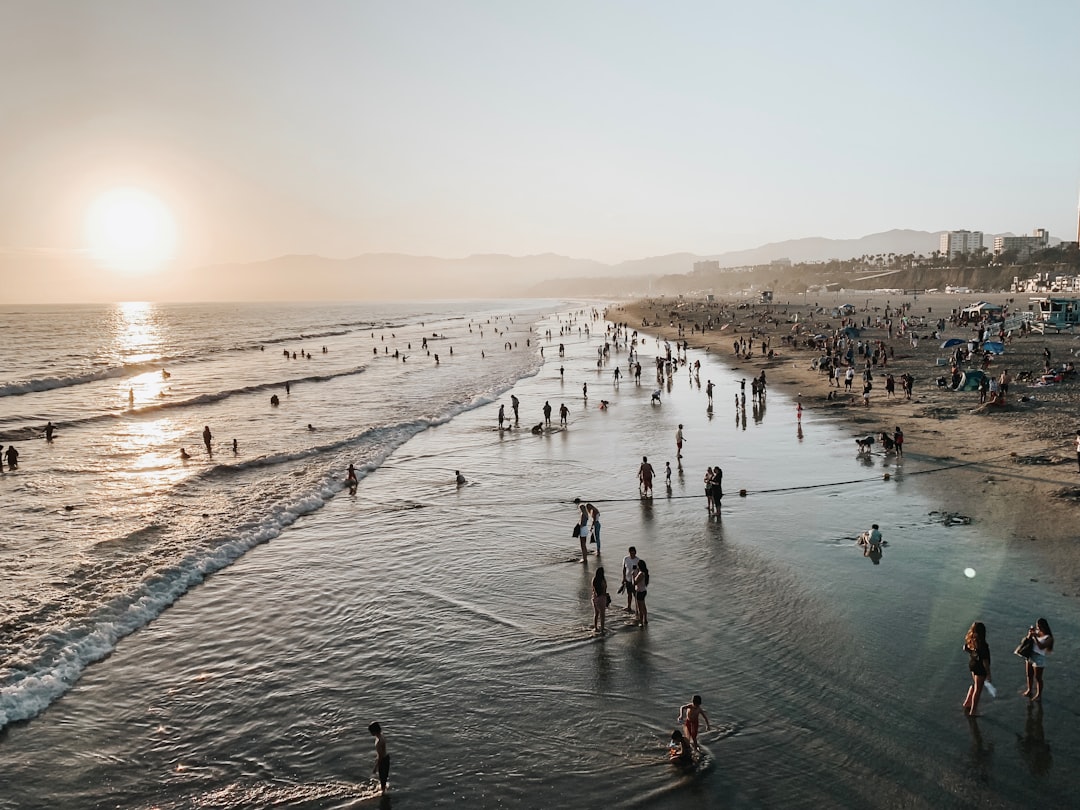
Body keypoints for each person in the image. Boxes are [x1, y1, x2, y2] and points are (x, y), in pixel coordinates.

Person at [962, 621, 992, 716]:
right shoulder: (983, 645)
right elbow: (985, 661)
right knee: (978, 690)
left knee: (975, 685)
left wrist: (972, 653)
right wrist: (988, 673)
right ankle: (973, 711)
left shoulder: (971, 640)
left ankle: (967, 702)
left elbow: (965, 648)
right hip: (980, 668)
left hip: (973, 664)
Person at [1023, 618, 1054, 702]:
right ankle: (1029, 690)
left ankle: (1039, 694)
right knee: (1029, 674)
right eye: (1037, 626)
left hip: (1039, 657)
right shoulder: (1037, 633)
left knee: (1038, 677)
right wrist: (1030, 634)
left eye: (1039, 626)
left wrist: (1035, 637)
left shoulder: (1049, 638)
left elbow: (1041, 647)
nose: (1038, 628)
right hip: (1031, 654)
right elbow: (1028, 640)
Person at [368, 722, 390, 794]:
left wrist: (375, 767)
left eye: (371, 731)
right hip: (386, 758)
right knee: (384, 778)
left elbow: (380, 756)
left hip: (383, 760)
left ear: (374, 731)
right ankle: (383, 789)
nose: (370, 733)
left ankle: (383, 792)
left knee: (383, 778)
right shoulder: (381, 736)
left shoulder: (379, 741)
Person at [621, 547, 640, 612]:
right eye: (631, 553)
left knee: (636, 596)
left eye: (634, 553)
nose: (633, 555)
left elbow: (640, 571)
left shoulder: (638, 560)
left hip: (635, 581)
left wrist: (638, 580)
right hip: (628, 579)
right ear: (629, 553)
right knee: (629, 594)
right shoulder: (626, 559)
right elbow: (624, 569)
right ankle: (629, 607)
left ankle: (637, 609)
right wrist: (623, 578)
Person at [591, 567, 608, 632]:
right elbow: (604, 591)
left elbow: (593, 589)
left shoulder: (594, 579)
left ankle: (595, 627)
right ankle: (602, 628)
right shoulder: (603, 581)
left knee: (596, 613)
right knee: (602, 614)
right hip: (601, 598)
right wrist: (607, 595)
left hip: (594, 597)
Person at [633, 559, 650, 626]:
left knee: (640, 608)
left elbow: (635, 582)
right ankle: (645, 619)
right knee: (643, 606)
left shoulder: (640, 574)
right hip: (644, 590)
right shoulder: (644, 573)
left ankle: (641, 622)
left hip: (639, 591)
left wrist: (633, 575)